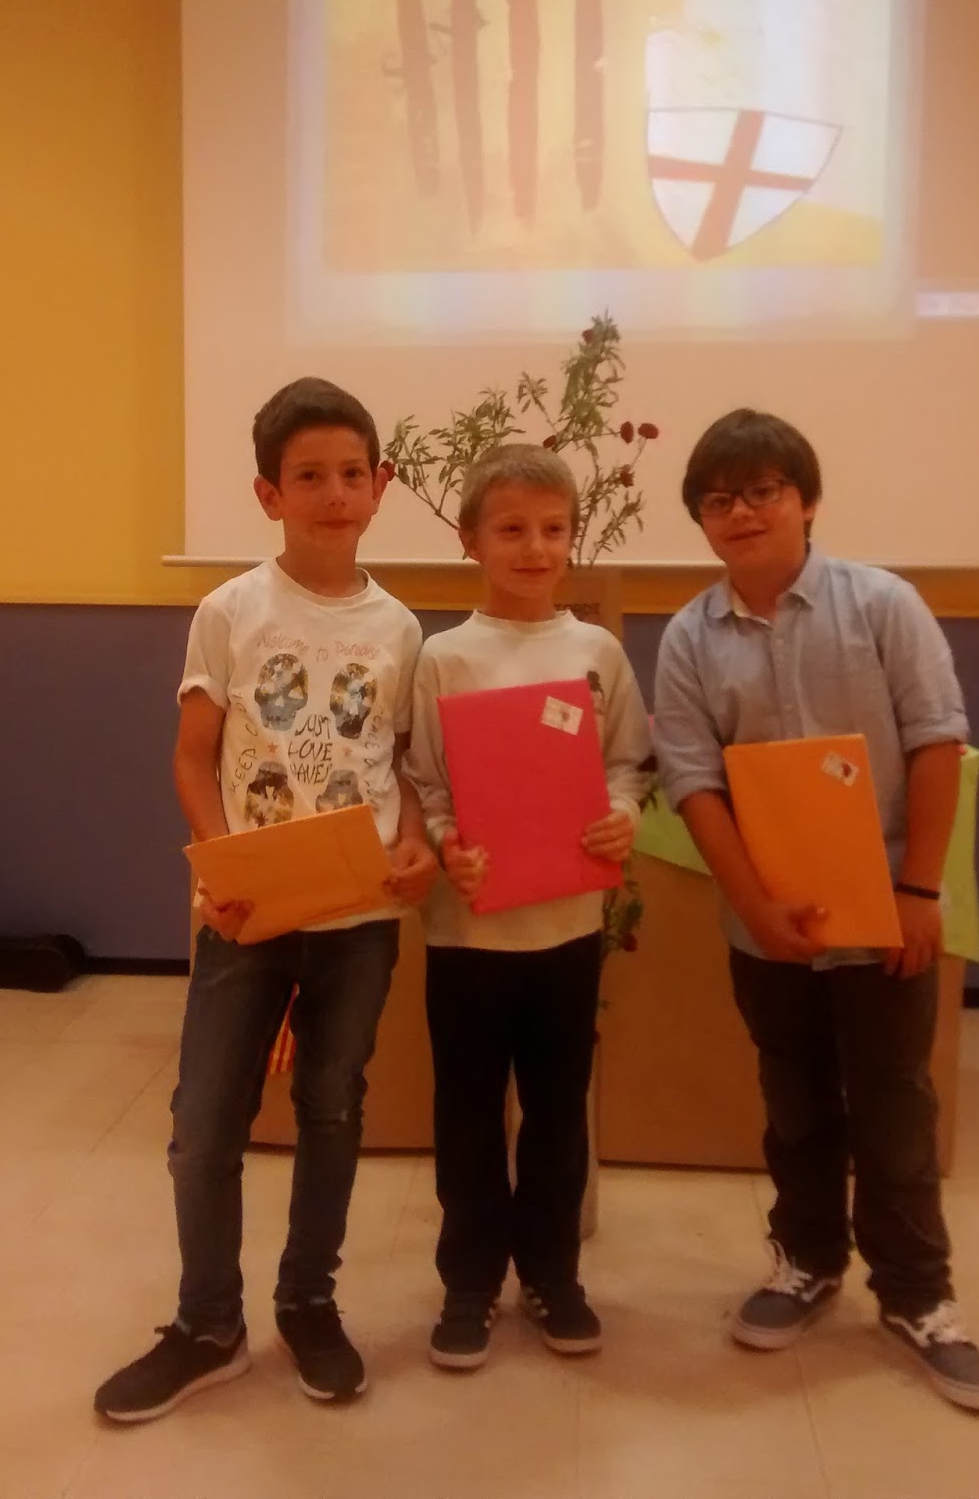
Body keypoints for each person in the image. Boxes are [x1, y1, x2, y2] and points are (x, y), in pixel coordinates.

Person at [94, 378, 436, 1419]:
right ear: (268, 493)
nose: (332, 494)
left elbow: (405, 766)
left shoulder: (401, 628)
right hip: (246, 914)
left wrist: (416, 843)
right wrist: (222, 864)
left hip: (358, 919)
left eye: (350, 474)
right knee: (204, 1123)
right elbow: (193, 756)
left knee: (333, 1107)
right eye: (307, 476)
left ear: (379, 486)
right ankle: (208, 1324)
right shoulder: (231, 610)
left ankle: (308, 1302)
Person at [652, 407, 979, 1412]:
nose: (742, 512)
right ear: (703, 521)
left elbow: (936, 739)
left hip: (888, 911)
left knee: (894, 1103)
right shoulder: (688, 636)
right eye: (719, 500)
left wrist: (919, 890)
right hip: (769, 928)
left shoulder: (884, 604)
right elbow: (694, 784)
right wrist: (754, 907)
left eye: (763, 491)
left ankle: (918, 1294)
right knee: (795, 1100)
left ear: (806, 500)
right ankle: (807, 1260)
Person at [406, 444, 653, 1371]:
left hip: (567, 931)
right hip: (467, 933)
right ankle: (469, 1280)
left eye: (553, 529)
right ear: (471, 540)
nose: (535, 547)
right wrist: (447, 847)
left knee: (557, 1111)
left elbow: (628, 765)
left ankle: (552, 1274)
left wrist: (622, 817)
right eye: (511, 529)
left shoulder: (597, 653)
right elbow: (425, 783)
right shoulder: (444, 657)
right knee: (467, 1113)